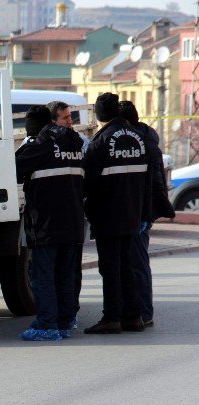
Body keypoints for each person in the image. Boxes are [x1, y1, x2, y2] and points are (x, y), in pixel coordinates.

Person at [15, 106, 85, 341]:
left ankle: (46, 324)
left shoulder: (39, 146)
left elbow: (13, 169)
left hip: (46, 224)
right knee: (66, 275)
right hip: (73, 222)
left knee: (43, 275)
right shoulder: (74, 143)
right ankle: (65, 322)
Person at [83, 93, 151, 334]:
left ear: (99, 114)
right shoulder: (137, 137)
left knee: (110, 268)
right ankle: (134, 316)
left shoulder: (101, 141)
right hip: (132, 212)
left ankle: (112, 317)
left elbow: (88, 182)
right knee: (127, 265)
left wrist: (88, 208)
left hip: (108, 215)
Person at [119, 101, 175, 328]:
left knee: (137, 263)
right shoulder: (146, 139)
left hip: (139, 213)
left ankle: (143, 312)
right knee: (136, 262)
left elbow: (154, 183)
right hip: (140, 212)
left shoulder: (143, 144)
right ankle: (139, 311)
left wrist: (146, 215)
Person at [47, 100, 89, 329]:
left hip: (73, 215)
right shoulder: (43, 142)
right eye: (65, 118)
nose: (69, 122)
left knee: (71, 271)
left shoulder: (81, 142)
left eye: (70, 117)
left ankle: (69, 314)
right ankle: (58, 315)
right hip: (52, 218)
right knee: (53, 272)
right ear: (52, 121)